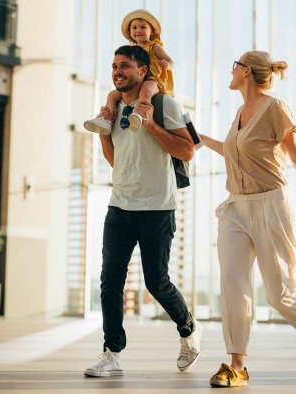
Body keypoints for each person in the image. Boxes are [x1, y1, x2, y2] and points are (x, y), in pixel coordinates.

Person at [83, 44, 202, 377]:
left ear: (142, 71)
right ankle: (112, 352)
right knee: (110, 280)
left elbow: (188, 151)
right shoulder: (114, 107)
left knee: (157, 282)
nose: (118, 71)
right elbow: (115, 160)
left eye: (124, 66)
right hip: (119, 206)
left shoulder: (164, 104)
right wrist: (104, 133)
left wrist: (150, 125)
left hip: (156, 208)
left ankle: (189, 328)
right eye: (114, 66)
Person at [200, 51, 296, 388]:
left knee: (280, 294)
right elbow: (232, 151)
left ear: (247, 72)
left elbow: (294, 153)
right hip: (236, 208)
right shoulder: (240, 112)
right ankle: (236, 365)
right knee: (233, 284)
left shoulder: (274, 108)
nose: (230, 68)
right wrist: (195, 137)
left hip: (271, 204)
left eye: (234, 65)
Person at [84, 9, 174, 134]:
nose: (138, 30)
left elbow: (170, 60)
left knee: (146, 90)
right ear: (130, 32)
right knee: (112, 95)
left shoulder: (154, 46)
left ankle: (140, 114)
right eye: (134, 28)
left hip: (152, 80)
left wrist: (166, 64)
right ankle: (106, 118)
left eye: (143, 27)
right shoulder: (132, 50)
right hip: (136, 81)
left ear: (151, 31)